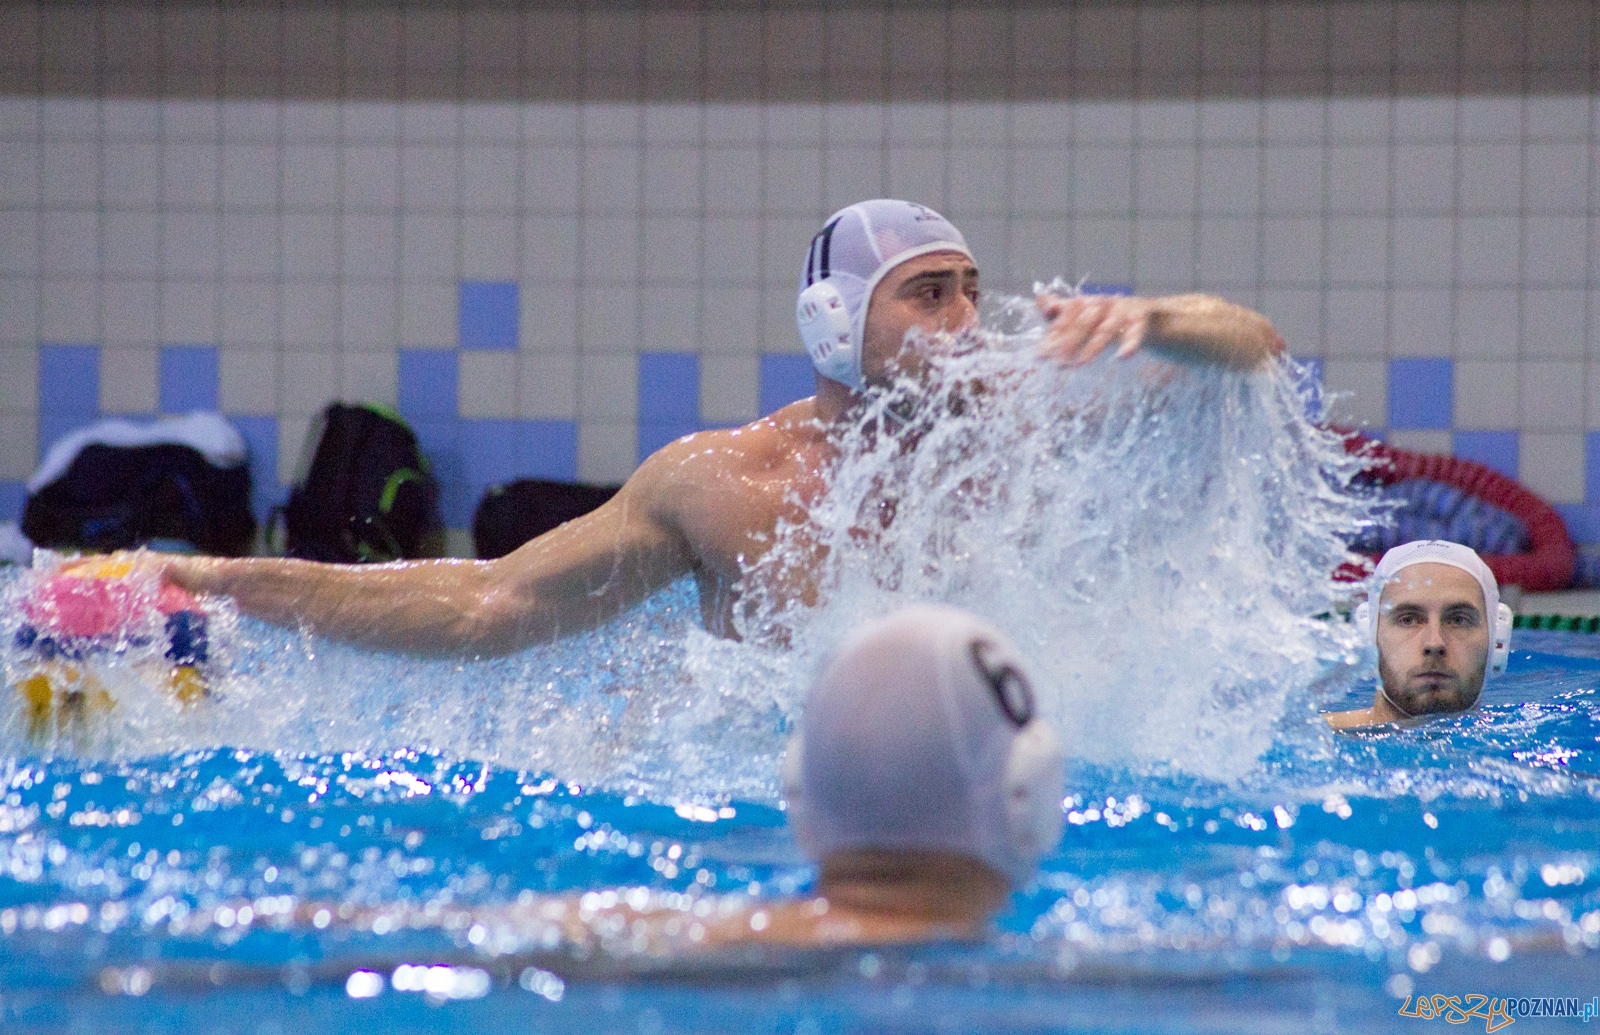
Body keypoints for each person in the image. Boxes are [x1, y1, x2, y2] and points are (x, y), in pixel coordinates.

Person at [117, 199, 1284, 654]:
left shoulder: (1023, 420)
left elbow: (1254, 356)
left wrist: (1157, 317)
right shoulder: (725, 485)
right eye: (928, 292)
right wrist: (220, 577)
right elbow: (487, 606)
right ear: (834, 322)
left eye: (972, 287)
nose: (967, 318)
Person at [195, 607, 1065, 952]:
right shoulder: (1071, 977)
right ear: (1029, 795)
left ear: (803, 797)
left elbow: (380, 934)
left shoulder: (658, 934)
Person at [1323, 540, 1513, 730]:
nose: (1434, 643)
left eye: (1458, 620)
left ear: (1496, 639)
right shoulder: (1306, 739)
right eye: (1408, 620)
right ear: (1370, 637)